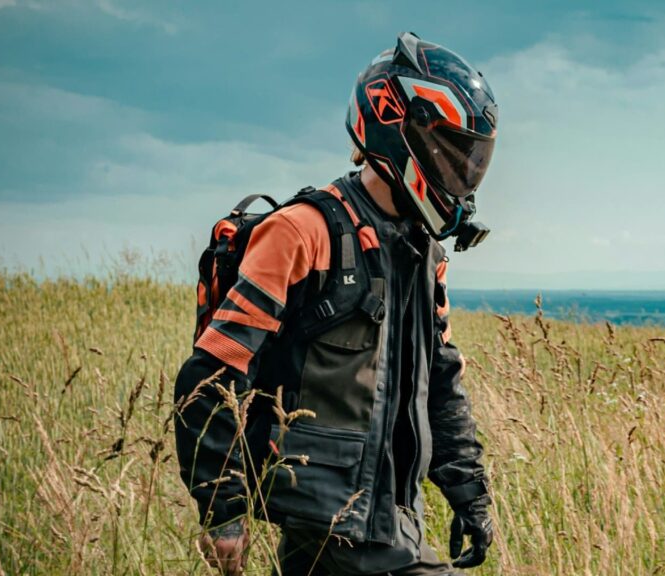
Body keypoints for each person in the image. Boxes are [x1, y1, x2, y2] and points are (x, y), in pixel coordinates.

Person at [173, 32, 498, 575]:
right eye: (449, 151)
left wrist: (470, 494)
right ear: (397, 126)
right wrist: (223, 515)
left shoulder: (426, 254)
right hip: (325, 537)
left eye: (469, 160)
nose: (460, 176)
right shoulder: (302, 232)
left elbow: (439, 380)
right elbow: (208, 377)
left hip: (395, 528)